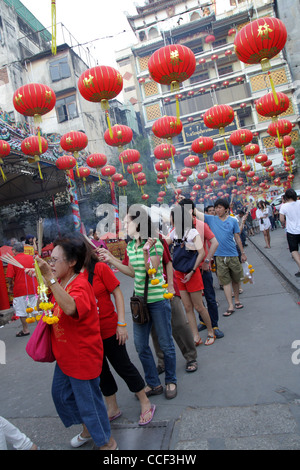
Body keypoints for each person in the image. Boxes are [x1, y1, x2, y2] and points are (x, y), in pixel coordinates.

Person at [34, 234, 117, 450]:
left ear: (72, 262)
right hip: (64, 355)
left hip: (82, 356)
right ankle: (88, 429)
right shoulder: (62, 282)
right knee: (61, 396)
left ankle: (107, 443)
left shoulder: (80, 285)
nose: (51, 264)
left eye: (54, 260)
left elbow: (71, 308)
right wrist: (45, 279)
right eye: (49, 259)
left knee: (90, 404)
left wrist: (50, 279)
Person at [99, 206, 177, 400]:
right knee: (141, 345)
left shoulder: (155, 242)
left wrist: (145, 252)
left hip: (158, 299)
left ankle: (171, 380)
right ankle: (153, 383)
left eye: (127, 223)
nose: (124, 226)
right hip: (139, 301)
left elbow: (152, 270)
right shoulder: (131, 245)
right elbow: (132, 273)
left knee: (166, 343)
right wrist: (111, 260)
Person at [83, 242, 156, 427]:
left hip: (109, 328)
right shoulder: (72, 275)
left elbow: (117, 293)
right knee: (101, 372)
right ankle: (112, 407)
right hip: (89, 334)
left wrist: (121, 324)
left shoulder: (99, 268)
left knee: (123, 366)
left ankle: (145, 401)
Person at [165, 204, 216, 346]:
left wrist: (193, 270)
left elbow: (202, 253)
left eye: (172, 217)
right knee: (187, 307)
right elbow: (164, 243)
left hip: (192, 273)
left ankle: (211, 331)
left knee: (199, 306)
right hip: (179, 273)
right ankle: (195, 336)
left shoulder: (193, 233)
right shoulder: (174, 233)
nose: (170, 219)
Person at [178, 198, 224, 339]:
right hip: (188, 270)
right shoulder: (180, 227)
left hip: (202, 268)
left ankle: (214, 326)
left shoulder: (201, 225)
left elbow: (214, 243)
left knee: (210, 296)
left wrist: (207, 260)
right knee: (197, 301)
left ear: (191, 211)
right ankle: (204, 321)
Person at [194, 198, 246, 317]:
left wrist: (242, 253)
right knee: (225, 281)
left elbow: (237, 237)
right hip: (218, 256)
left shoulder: (232, 221)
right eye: (216, 208)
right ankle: (230, 305)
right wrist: (187, 202)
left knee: (236, 279)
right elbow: (197, 213)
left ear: (226, 209)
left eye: (219, 208)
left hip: (233, 254)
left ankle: (236, 300)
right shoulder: (211, 219)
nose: (217, 210)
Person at [6, 242, 38, 337]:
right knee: (35, 308)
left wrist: (10, 286)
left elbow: (9, 277)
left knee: (21, 310)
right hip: (33, 286)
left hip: (20, 289)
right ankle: (40, 328)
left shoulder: (13, 260)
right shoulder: (31, 258)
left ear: (15, 250)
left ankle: (25, 329)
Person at [279, 188, 300, 277]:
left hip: (292, 231)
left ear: (286, 197)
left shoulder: (284, 206)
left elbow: (281, 219)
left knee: (294, 250)